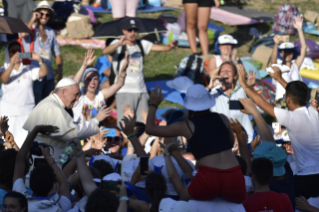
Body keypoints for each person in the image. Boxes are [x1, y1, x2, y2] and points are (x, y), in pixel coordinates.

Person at [145, 85, 246, 203]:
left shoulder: (186, 126)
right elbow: (231, 142)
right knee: (240, 206)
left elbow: (150, 129)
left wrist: (153, 104)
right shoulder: (223, 118)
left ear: (189, 106)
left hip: (209, 176)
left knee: (183, 202)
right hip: (233, 173)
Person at [238, 64, 319, 200]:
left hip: (306, 178)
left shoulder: (291, 117)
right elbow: (297, 95)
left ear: (287, 99)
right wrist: (280, 79)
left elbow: (261, 102)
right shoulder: (312, 112)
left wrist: (244, 85)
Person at [103, 19, 177, 124]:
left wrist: (170, 46)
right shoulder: (118, 44)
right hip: (124, 90)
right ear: (124, 31)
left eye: (135, 30)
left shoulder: (142, 44)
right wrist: (119, 43)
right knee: (126, 125)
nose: (132, 33)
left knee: (143, 124)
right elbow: (106, 51)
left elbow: (164, 49)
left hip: (142, 90)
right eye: (130, 30)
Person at [23, 78, 110, 160]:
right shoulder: (53, 108)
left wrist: (84, 154)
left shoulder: (49, 103)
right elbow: (73, 134)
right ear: (64, 92)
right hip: (44, 164)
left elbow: (65, 143)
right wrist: (96, 120)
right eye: (75, 95)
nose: (77, 99)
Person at [0, 41, 49, 147]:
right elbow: (3, 79)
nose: (17, 53)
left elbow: (44, 72)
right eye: (13, 51)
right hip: (9, 114)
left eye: (19, 50)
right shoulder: (3, 69)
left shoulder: (28, 68)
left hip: (26, 113)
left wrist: (39, 60)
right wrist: (12, 64)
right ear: (8, 54)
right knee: (8, 146)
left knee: (25, 146)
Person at [12, 125, 72, 212]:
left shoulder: (21, 204)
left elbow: (19, 159)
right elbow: (63, 183)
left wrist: (35, 130)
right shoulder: (61, 207)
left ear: (30, 184)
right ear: (53, 185)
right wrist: (48, 157)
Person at [19, 0, 63, 105]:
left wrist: (60, 70)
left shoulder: (50, 32)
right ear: (37, 13)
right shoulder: (29, 27)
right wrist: (33, 18)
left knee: (48, 105)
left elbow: (57, 53)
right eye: (41, 14)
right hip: (34, 75)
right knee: (35, 106)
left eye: (47, 15)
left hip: (49, 75)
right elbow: (23, 34)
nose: (44, 16)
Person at [72, 49, 129, 124]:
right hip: (80, 132)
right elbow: (73, 85)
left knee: (118, 133)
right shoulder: (78, 95)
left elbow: (119, 84)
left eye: (95, 79)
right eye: (89, 79)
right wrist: (84, 65)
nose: (92, 82)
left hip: (98, 130)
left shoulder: (101, 94)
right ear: (84, 81)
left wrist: (123, 71)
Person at [208, 62, 255, 143]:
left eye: (229, 70)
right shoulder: (212, 93)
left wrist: (248, 87)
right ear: (219, 75)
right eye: (222, 71)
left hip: (246, 140)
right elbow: (195, 105)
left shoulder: (242, 91)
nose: (225, 72)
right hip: (221, 142)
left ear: (235, 76)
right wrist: (209, 87)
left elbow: (259, 103)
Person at [270, 15, 306, 102]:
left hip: (298, 101)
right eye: (284, 51)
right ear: (280, 53)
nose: (287, 54)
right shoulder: (278, 68)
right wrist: (275, 45)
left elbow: (304, 48)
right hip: (283, 102)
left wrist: (299, 30)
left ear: (293, 53)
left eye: (289, 51)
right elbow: (273, 60)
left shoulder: (295, 66)